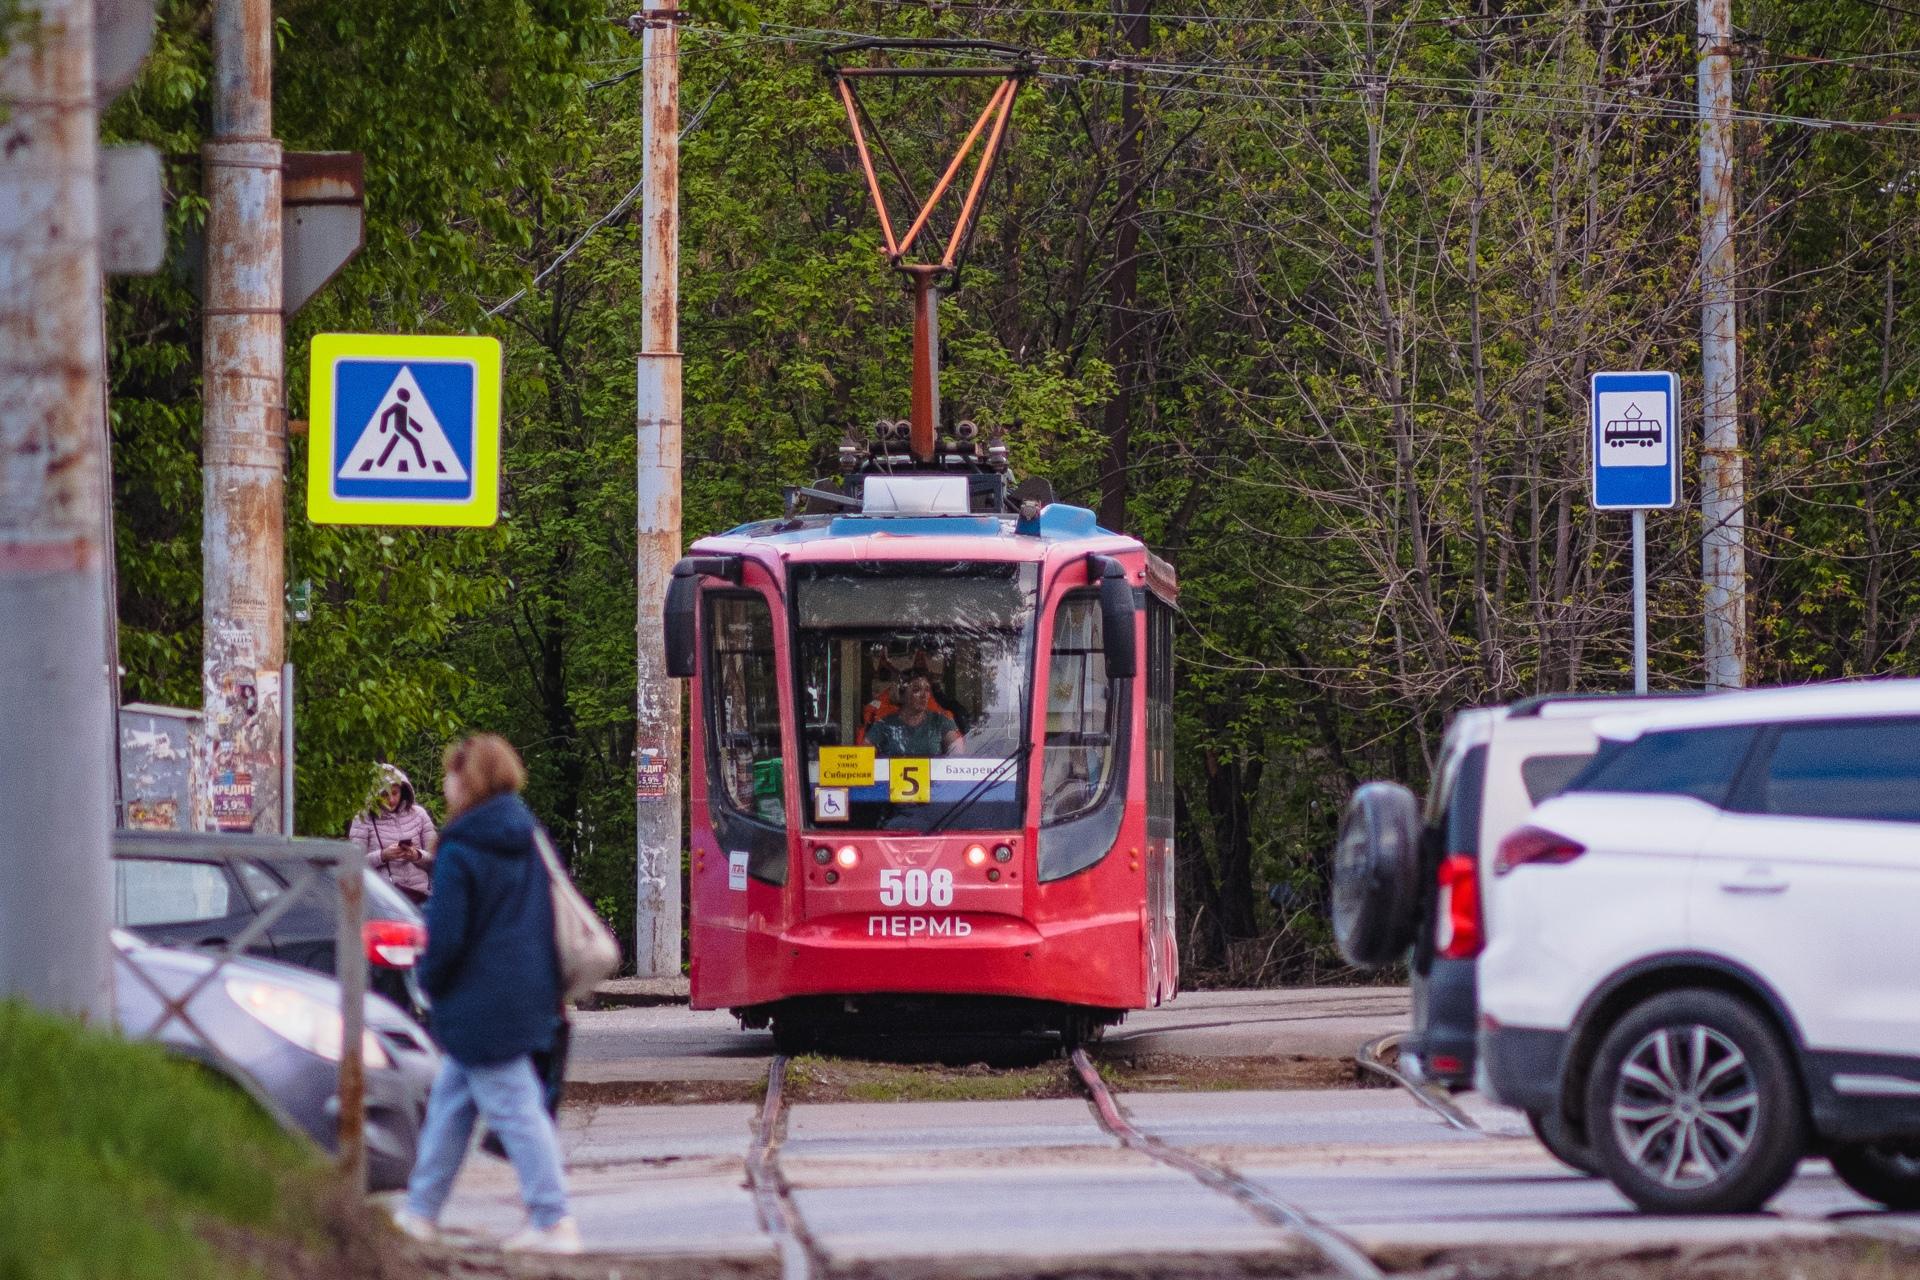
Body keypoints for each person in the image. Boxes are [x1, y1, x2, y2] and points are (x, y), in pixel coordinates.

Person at [392, 735, 580, 1254]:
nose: (446, 784)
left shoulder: (462, 844)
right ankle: (419, 1214)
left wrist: (427, 979)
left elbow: (447, 931)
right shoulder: (526, 833)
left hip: (481, 1001)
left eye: (453, 774)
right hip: (525, 991)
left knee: (518, 1110)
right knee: (451, 1106)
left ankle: (552, 1220)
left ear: (468, 779)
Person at [349, 764, 435, 905]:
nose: (391, 800)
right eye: (385, 794)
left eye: (395, 793)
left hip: (421, 899)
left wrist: (416, 855)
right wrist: (383, 856)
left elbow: (437, 860)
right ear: (375, 795)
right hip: (383, 902)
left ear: (403, 791)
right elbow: (353, 865)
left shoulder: (419, 814)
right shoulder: (363, 819)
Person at [868, 674, 966, 757]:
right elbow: (863, 759)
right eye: (916, 690)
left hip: (935, 779)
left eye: (927, 690)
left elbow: (958, 757)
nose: (924, 695)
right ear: (902, 695)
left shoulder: (940, 721)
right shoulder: (884, 725)